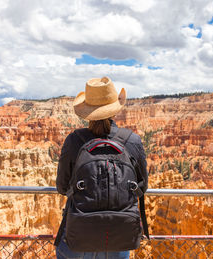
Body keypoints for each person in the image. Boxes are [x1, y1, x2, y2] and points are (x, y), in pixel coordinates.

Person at [55, 77, 148, 259]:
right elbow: (142, 187)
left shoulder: (74, 140)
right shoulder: (132, 141)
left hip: (79, 235)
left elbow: (62, 187)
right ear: (115, 109)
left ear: (87, 112)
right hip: (119, 236)